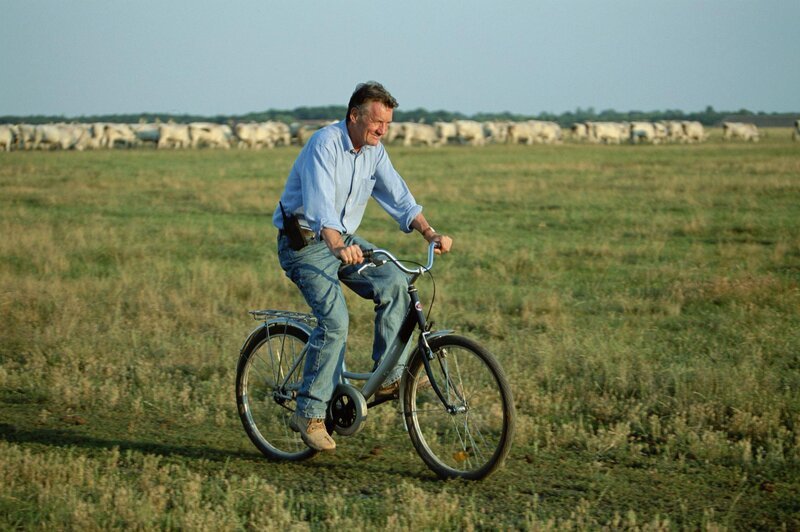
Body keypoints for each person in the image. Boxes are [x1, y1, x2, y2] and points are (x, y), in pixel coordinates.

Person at [272, 81, 453, 451]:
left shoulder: (373, 151)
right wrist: (336, 242)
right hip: (306, 244)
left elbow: (398, 195)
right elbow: (319, 200)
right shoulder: (324, 144)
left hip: (343, 242)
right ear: (354, 116)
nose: (382, 130)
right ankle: (308, 413)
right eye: (376, 122)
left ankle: (389, 375)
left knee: (395, 280)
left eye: (387, 124)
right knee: (335, 322)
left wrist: (428, 232)